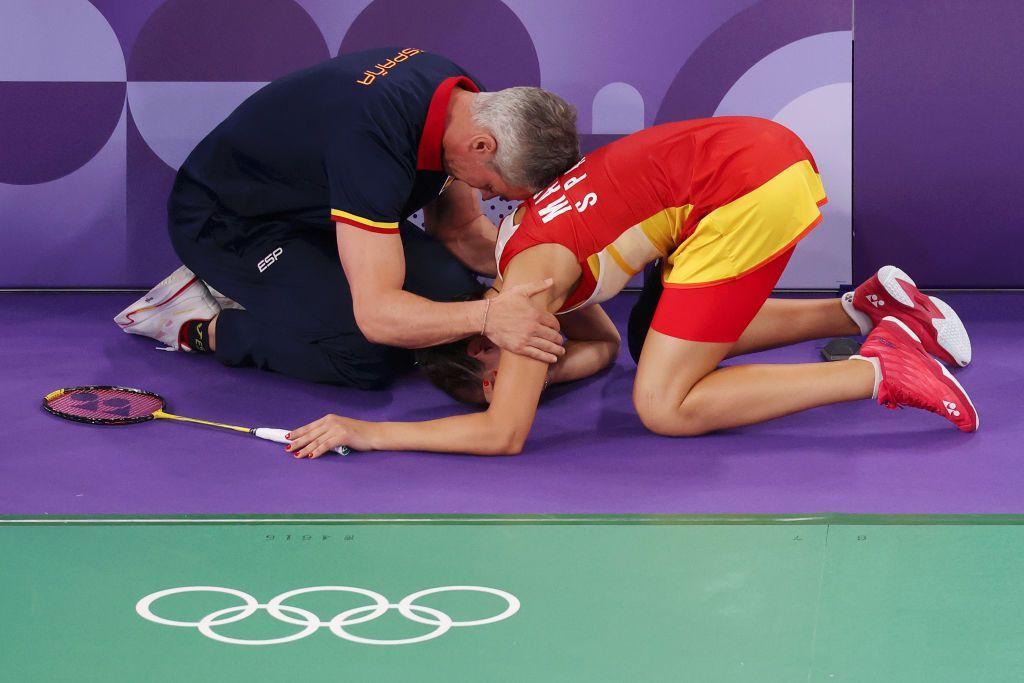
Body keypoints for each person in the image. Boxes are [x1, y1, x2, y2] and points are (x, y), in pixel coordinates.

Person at [286, 117, 977, 457]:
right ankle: (865, 310)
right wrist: (540, 368)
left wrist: (370, 433)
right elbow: (604, 347)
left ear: (478, 346)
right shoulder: (523, 256)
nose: (517, 381)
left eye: (488, 380)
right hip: (747, 155)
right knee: (653, 339)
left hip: (745, 188)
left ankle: (878, 369)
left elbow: (503, 434)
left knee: (665, 402)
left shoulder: (522, 296)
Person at [115, 48, 580, 388]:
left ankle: (292, 296)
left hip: (321, 204)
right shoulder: (373, 142)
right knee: (362, 354)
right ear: (482, 147)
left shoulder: (466, 102)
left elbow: (459, 232)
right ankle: (200, 322)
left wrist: (560, 274)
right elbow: (378, 316)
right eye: (494, 188)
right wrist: (488, 317)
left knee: (451, 290)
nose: (486, 194)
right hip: (231, 223)